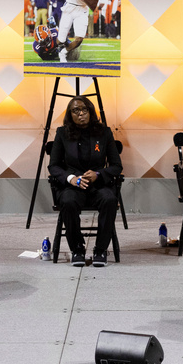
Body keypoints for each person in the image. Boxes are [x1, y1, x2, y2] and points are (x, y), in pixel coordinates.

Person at [48, 96, 122, 267]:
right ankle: (77, 249)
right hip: (73, 187)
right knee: (67, 201)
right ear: (70, 114)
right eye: (75, 110)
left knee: (110, 200)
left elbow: (116, 166)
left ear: (90, 111)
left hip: (98, 185)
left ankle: (100, 250)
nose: (80, 114)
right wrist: (71, 179)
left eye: (84, 110)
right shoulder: (62, 133)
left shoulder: (104, 133)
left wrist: (99, 174)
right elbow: (54, 166)